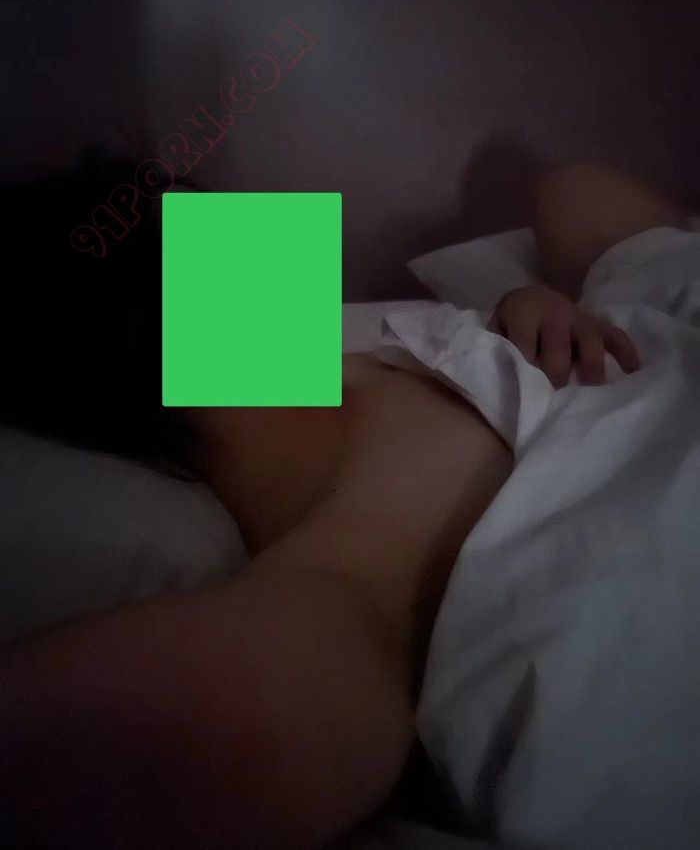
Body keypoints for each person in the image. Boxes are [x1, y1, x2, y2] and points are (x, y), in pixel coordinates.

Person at [0, 157, 679, 846]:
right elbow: (273, 690)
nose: (253, 214)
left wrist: (532, 298)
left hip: (643, 336)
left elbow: (578, 188)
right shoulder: (364, 517)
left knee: (566, 184)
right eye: (196, 217)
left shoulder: (361, 349)